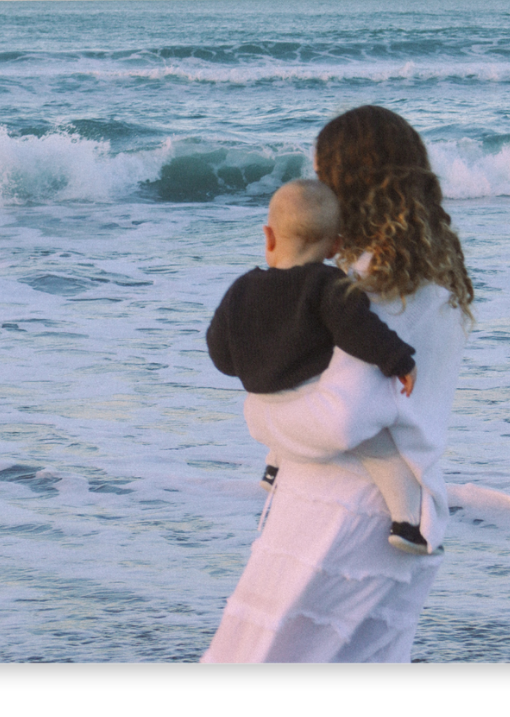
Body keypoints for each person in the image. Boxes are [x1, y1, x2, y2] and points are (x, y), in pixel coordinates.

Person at [202, 106, 476, 663]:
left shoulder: (370, 289)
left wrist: (259, 417)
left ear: (347, 184)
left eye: (324, 174)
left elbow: (341, 419)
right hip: (396, 519)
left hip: (339, 521)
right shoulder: (436, 281)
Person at [205, 177, 432, 555]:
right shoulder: (328, 285)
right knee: (376, 445)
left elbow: (220, 354)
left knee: (281, 398)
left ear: (269, 237)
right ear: (336, 245)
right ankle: (407, 523)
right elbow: (361, 332)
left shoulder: (242, 289)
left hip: (260, 417)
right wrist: (400, 360)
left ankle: (274, 469)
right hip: (318, 418)